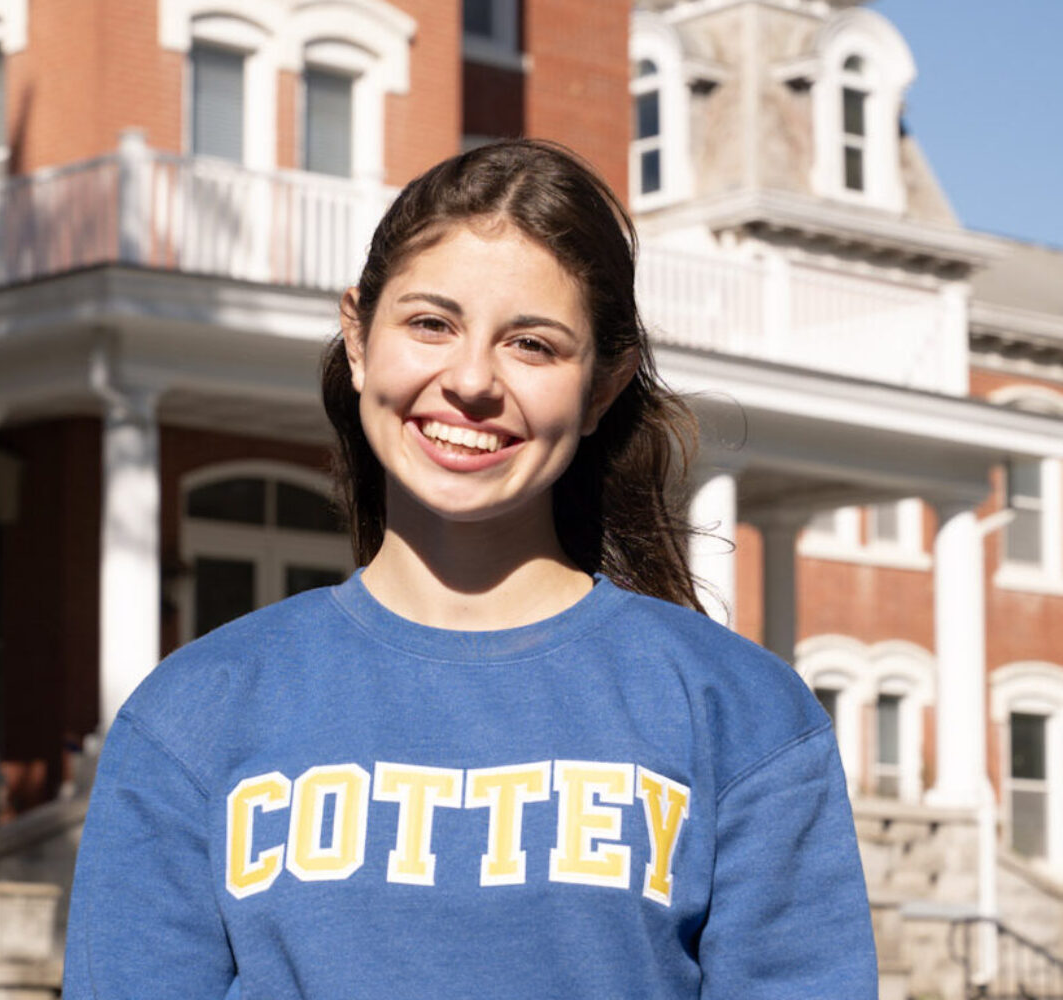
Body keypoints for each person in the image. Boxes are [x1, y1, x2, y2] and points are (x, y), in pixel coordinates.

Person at [62, 140, 877, 999]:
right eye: (430, 324)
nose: (473, 381)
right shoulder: (195, 713)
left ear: (603, 387)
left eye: (532, 344)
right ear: (358, 338)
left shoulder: (741, 716)